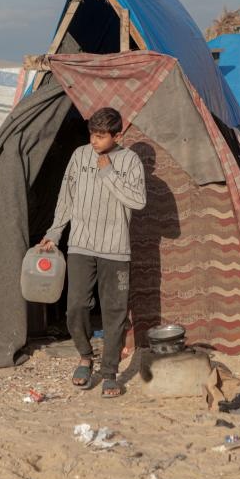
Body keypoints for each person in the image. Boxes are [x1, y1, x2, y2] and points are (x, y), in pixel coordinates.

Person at [38, 107, 146, 398]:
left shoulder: (130, 161)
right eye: (92, 135)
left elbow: (138, 201)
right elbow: (66, 198)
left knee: (115, 312)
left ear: (117, 135)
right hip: (81, 245)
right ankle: (85, 357)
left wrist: (108, 171)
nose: (94, 141)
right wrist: (53, 233)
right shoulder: (79, 156)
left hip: (116, 249)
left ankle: (110, 372)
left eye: (101, 136)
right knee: (76, 306)